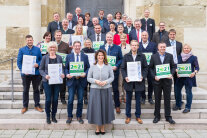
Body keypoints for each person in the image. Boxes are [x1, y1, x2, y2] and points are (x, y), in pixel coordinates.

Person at [87, 49, 115, 135]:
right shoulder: (92, 66)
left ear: (104, 56)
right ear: (96, 57)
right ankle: (97, 128)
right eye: (99, 55)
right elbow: (88, 78)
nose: (100, 57)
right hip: (95, 89)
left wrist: (106, 82)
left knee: (104, 108)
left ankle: (103, 128)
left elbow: (112, 77)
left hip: (105, 89)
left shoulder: (108, 66)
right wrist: (96, 81)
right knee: (96, 108)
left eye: (102, 55)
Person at [121, 40, 148, 124]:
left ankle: (138, 116)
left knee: (138, 100)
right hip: (129, 81)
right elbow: (123, 68)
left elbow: (145, 68)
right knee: (128, 100)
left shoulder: (142, 56)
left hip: (138, 81)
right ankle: (128, 116)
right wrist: (125, 77)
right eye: (133, 45)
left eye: (136, 45)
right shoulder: (126, 56)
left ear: (138, 46)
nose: (134, 47)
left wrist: (142, 76)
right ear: (130, 46)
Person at [149, 42, 176, 124]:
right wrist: (154, 76)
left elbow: (173, 66)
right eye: (161, 47)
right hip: (157, 82)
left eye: (164, 47)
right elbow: (150, 68)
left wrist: (171, 74)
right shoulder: (153, 56)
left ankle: (168, 116)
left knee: (167, 99)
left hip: (167, 81)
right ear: (158, 48)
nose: (162, 48)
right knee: (157, 99)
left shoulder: (170, 56)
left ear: (165, 48)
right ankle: (157, 116)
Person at [39, 41, 65, 124]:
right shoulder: (44, 58)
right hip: (47, 81)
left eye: (54, 47)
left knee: (55, 99)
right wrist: (45, 75)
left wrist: (62, 74)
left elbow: (62, 68)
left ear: (56, 48)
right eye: (51, 47)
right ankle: (47, 116)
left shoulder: (59, 57)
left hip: (57, 81)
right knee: (48, 99)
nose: (52, 49)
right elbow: (41, 69)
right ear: (48, 48)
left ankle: (53, 116)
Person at [17, 35, 43, 114]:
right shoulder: (21, 50)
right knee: (25, 90)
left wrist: (38, 64)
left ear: (33, 40)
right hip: (26, 74)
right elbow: (19, 62)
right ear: (26, 41)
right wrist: (23, 70)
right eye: (28, 40)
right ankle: (25, 106)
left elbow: (41, 60)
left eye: (31, 40)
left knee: (36, 90)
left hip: (36, 74)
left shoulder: (38, 50)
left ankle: (37, 105)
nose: (29, 41)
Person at [65, 41, 90, 124]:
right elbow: (66, 68)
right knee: (70, 99)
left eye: (78, 46)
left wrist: (85, 73)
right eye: (75, 46)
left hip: (81, 81)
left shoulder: (85, 56)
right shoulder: (69, 56)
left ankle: (79, 116)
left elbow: (88, 67)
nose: (77, 47)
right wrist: (67, 74)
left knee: (80, 100)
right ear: (73, 47)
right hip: (72, 81)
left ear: (81, 47)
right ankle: (69, 116)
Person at [100, 32, 123, 114]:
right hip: (103, 72)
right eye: (108, 37)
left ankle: (117, 106)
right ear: (106, 38)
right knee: (104, 89)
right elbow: (98, 59)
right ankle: (105, 106)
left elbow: (121, 59)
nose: (109, 39)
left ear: (112, 38)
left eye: (110, 37)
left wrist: (116, 66)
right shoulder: (101, 47)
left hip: (114, 72)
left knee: (115, 89)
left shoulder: (117, 48)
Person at [173, 44, 199, 113]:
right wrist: (176, 71)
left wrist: (194, 72)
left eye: (187, 48)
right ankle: (178, 105)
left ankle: (188, 107)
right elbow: (175, 66)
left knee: (188, 92)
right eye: (185, 48)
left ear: (190, 49)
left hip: (189, 78)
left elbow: (197, 67)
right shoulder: (179, 57)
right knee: (177, 90)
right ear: (183, 49)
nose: (186, 49)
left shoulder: (193, 57)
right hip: (180, 77)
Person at [139, 31, 157, 104]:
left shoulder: (153, 44)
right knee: (142, 82)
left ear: (148, 36)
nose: (144, 36)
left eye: (145, 35)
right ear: (141, 36)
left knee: (151, 83)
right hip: (141, 67)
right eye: (143, 35)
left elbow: (156, 55)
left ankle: (150, 97)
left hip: (150, 67)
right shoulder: (138, 45)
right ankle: (143, 97)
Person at [55, 30, 72, 104]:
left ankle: (62, 97)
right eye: (57, 35)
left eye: (59, 35)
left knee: (63, 84)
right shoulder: (51, 44)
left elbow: (69, 56)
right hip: (53, 67)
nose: (58, 36)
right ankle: (55, 97)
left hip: (63, 68)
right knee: (54, 84)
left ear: (61, 36)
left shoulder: (65, 45)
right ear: (54, 36)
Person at [166, 29, 183, 102]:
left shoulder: (179, 44)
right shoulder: (165, 44)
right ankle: (167, 100)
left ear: (175, 35)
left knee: (177, 85)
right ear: (168, 35)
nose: (172, 36)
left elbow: (180, 55)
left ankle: (178, 101)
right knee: (167, 85)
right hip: (168, 66)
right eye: (171, 34)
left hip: (176, 66)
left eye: (174, 34)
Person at [81, 39, 95, 105]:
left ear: (91, 43)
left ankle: (92, 98)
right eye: (86, 42)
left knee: (91, 85)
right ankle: (85, 98)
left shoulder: (94, 50)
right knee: (84, 85)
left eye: (89, 42)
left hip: (92, 70)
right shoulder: (82, 51)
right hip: (85, 70)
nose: (88, 43)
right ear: (84, 43)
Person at [119, 34, 131, 103]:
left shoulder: (129, 47)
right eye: (121, 38)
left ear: (126, 39)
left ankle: (126, 96)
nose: (123, 39)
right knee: (120, 83)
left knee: (126, 82)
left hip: (127, 67)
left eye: (124, 38)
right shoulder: (117, 47)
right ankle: (120, 95)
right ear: (120, 39)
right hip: (120, 67)